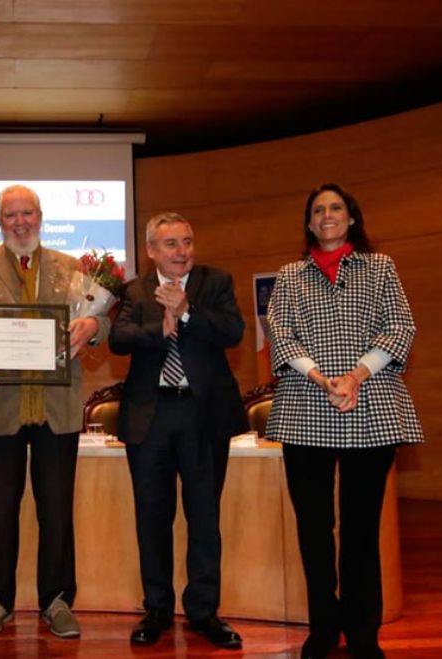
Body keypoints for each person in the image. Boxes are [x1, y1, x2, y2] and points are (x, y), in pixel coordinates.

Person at [0, 184, 109, 639]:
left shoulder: (71, 267)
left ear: (40, 216)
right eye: (10, 215)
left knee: (57, 510)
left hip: (57, 411)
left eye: (27, 213)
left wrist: (94, 325)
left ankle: (57, 601)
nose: (20, 222)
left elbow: (100, 318)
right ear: (0, 222)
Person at [266, 183, 423, 659]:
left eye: (336, 208)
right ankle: (323, 628)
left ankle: (362, 633)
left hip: (370, 407)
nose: (327, 215)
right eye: (318, 210)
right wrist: (321, 378)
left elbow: (401, 326)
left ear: (350, 218)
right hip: (304, 410)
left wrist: (355, 376)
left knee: (360, 529)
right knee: (314, 530)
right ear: (310, 223)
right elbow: (280, 331)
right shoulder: (291, 275)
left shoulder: (381, 267)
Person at [109, 212, 248, 649]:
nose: (182, 251)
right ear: (151, 251)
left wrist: (186, 314)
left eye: (187, 241)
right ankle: (157, 608)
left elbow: (233, 331)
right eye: (170, 244)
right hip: (150, 418)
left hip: (203, 416)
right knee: (153, 516)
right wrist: (159, 329)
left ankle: (204, 611)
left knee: (204, 516)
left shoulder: (215, 281)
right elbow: (118, 338)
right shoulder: (134, 289)